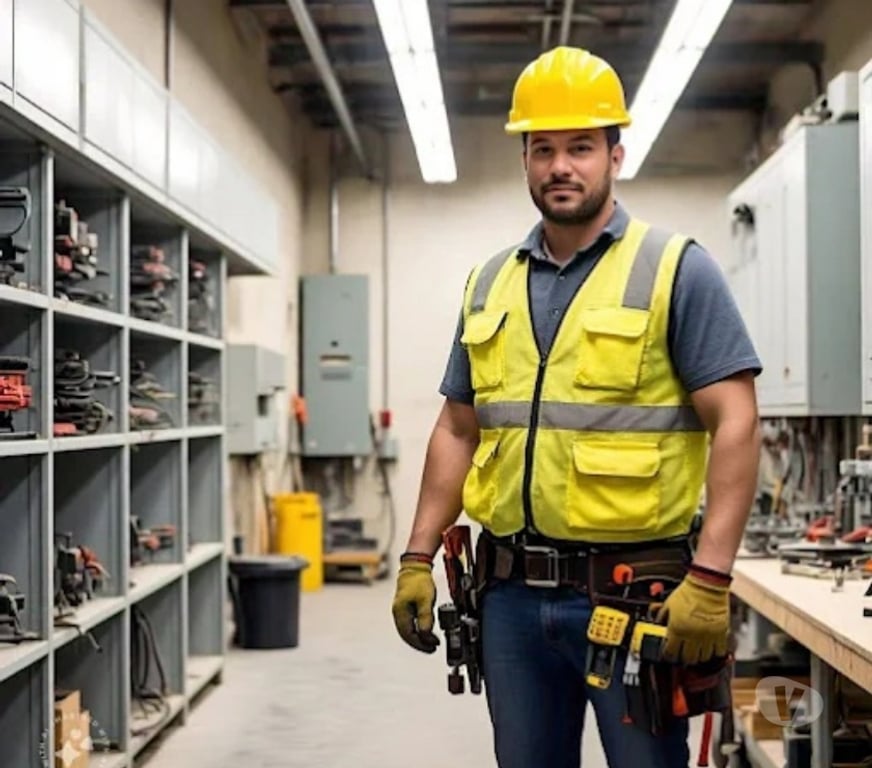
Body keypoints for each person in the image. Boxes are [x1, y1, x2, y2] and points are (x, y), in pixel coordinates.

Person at [391, 46, 763, 768]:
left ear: (615, 155)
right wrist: (416, 553)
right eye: (544, 149)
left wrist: (712, 576)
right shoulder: (488, 282)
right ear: (526, 160)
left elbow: (737, 420)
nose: (562, 166)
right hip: (509, 603)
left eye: (581, 147)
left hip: (635, 598)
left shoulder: (676, 270)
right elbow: (458, 428)